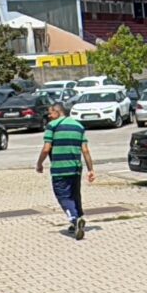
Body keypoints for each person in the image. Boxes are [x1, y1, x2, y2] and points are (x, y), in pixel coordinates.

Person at [36, 101, 93, 239]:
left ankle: (74, 219)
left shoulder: (52, 126)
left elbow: (46, 148)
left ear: (58, 112)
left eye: (50, 113)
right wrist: (91, 169)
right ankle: (79, 219)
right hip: (76, 168)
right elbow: (85, 150)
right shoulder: (78, 126)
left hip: (60, 168)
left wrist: (39, 163)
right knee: (75, 194)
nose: (49, 116)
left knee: (63, 195)